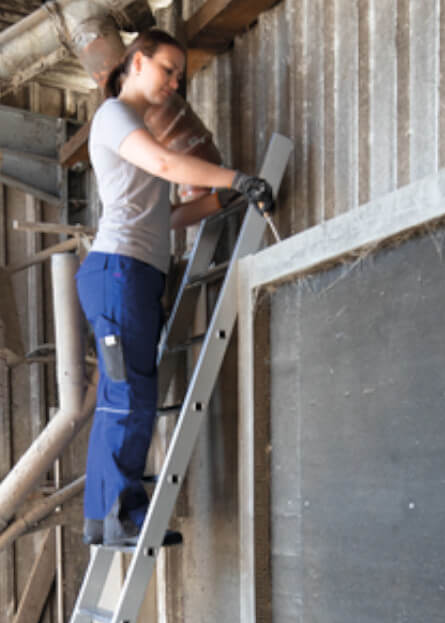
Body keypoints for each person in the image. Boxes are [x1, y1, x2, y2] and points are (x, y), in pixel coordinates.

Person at [77, 29, 276, 547]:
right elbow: (166, 166)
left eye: (179, 76)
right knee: (130, 394)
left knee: (121, 394)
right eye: (168, 70)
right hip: (119, 271)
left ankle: (102, 518)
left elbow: (158, 216)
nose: (174, 82)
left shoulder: (132, 124)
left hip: (130, 272)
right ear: (136, 62)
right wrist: (235, 178)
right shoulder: (116, 115)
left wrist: (216, 204)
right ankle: (122, 516)